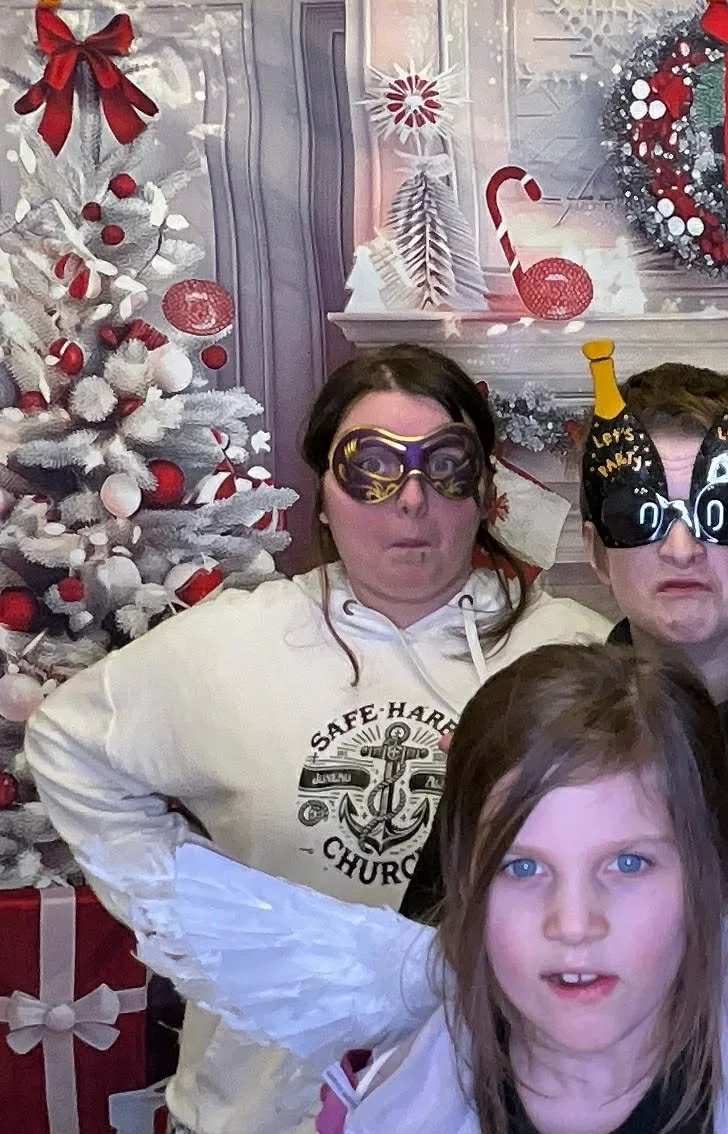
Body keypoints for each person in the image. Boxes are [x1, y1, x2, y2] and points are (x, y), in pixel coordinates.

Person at [24, 344, 610, 1134]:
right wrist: (195, 915)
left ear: (483, 493)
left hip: (502, 1106)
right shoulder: (231, 646)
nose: (411, 501)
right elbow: (66, 743)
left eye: (445, 467)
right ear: (326, 498)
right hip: (263, 1108)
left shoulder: (571, 652)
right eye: (372, 468)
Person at [321, 642, 728, 1133]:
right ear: (463, 878)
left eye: (628, 864)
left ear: (706, 874)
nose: (574, 924)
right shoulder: (377, 1107)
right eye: (521, 868)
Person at [400, 336, 728, 916]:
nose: (682, 549)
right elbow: (438, 961)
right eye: (639, 515)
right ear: (597, 552)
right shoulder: (514, 754)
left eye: (722, 513)